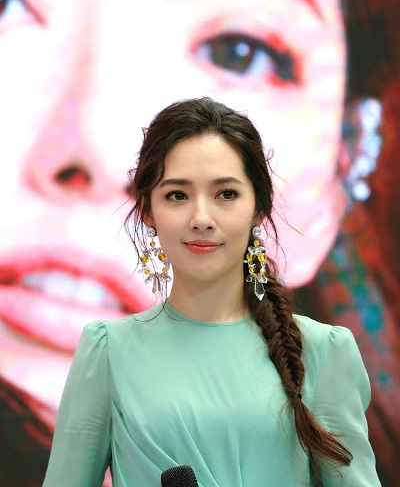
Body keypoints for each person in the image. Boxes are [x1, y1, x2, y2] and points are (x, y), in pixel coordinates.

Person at [0, 0, 399, 485]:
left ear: (338, 177)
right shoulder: (104, 348)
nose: (100, 150)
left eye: (239, 52)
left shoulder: (325, 355)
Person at [43, 97, 380, 486]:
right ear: (148, 210)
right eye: (177, 195)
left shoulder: (323, 351)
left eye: (226, 194)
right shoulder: (108, 352)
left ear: (259, 208)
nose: (201, 218)